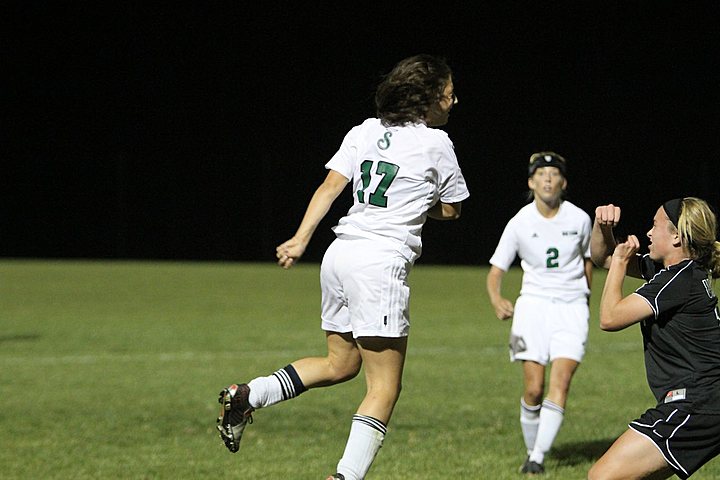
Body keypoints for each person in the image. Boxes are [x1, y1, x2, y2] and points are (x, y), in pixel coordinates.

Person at [215, 54, 469, 480]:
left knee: (341, 364)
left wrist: (299, 239)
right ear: (426, 100)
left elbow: (331, 186)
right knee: (384, 387)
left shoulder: (364, 130)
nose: (454, 101)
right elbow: (452, 209)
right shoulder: (436, 143)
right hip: (379, 263)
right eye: (448, 94)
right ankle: (345, 478)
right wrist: (422, 204)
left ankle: (248, 394)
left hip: (340, 254)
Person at [587, 198, 720, 480]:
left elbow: (609, 318)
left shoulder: (678, 280)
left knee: (603, 477)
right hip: (704, 402)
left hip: (696, 404)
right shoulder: (674, 272)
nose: (648, 232)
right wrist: (603, 227)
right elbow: (604, 258)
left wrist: (622, 264)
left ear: (676, 236)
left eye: (655, 225)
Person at [486, 152, 593, 475]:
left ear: (564, 182)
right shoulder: (519, 222)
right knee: (533, 388)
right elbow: (496, 270)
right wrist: (496, 298)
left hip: (572, 307)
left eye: (554, 173)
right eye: (541, 174)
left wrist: (584, 299)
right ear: (531, 182)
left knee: (560, 381)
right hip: (532, 307)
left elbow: (588, 260)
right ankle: (533, 449)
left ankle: (537, 458)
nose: (548, 178)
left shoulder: (579, 219)